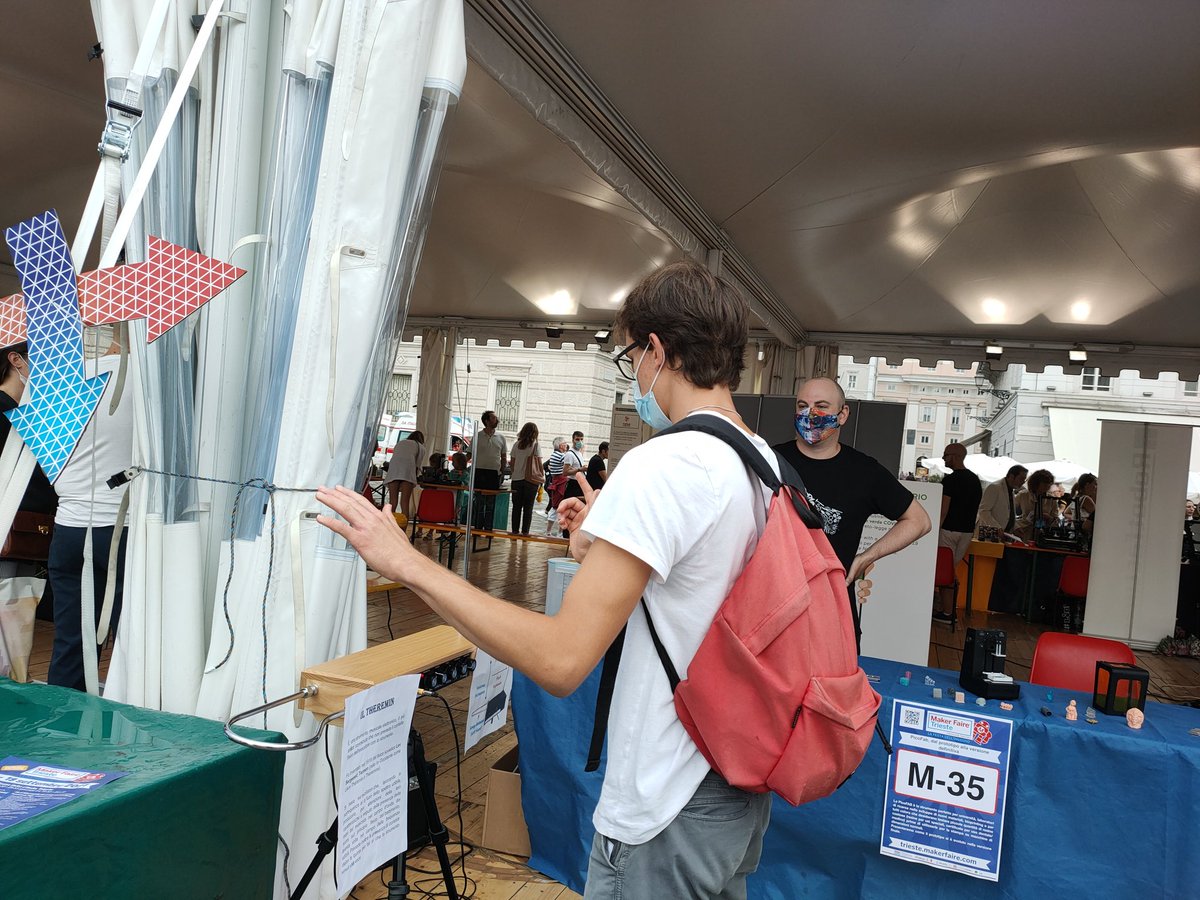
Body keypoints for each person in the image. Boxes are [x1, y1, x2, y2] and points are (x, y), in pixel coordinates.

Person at [317, 260, 775, 898]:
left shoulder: (668, 462)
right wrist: (602, 543)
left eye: (628, 358)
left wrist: (406, 562)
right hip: (732, 783)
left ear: (658, 350)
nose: (634, 376)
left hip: (666, 797)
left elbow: (561, 660)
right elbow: (700, 588)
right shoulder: (757, 460)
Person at [772, 377, 930, 644]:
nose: (810, 414)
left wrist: (866, 557)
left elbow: (918, 521)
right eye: (802, 406)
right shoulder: (770, 460)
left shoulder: (864, 472)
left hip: (832, 613)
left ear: (842, 414)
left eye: (821, 406)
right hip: (773, 608)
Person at [48, 348, 133, 690]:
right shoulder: (137, 380)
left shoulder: (52, 385)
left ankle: (59, 732)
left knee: (71, 644)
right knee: (131, 643)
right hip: (121, 528)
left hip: (68, 527)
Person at [0, 342, 58, 578]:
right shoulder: (12, 413)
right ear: (16, 360)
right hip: (13, 530)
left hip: (23, 532)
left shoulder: (23, 412)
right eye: (43, 359)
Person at [934, 442, 981, 624]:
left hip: (949, 530)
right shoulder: (975, 480)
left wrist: (934, 529)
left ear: (954, 456)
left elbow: (943, 510)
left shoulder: (950, 480)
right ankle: (947, 610)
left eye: (946, 455)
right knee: (951, 570)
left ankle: (947, 613)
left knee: (945, 573)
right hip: (967, 533)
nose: (944, 458)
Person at [473, 411, 507, 528]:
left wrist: (502, 472)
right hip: (478, 473)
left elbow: (503, 457)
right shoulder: (477, 436)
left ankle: (488, 529)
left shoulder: (501, 438)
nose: (496, 419)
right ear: (487, 421)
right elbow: (469, 454)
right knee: (479, 502)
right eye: (493, 418)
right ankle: (477, 528)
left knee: (491, 503)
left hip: (494, 474)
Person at [976, 465, 1028, 537]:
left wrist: (1015, 527)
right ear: (1011, 476)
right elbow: (983, 511)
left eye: (1024, 480)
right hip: (989, 534)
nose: (1023, 482)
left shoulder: (1010, 490)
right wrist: (996, 527)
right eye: (1021, 479)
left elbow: (1008, 515)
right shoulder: (994, 487)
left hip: (1003, 535)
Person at [509, 422, 542, 535]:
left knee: (516, 507)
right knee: (528, 508)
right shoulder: (535, 446)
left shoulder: (516, 445)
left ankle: (514, 531)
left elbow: (512, 462)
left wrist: (516, 472)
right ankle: (525, 532)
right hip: (531, 480)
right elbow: (539, 464)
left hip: (517, 479)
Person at [384, 430, 424, 522]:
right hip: (407, 473)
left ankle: (389, 526)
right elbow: (417, 465)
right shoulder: (421, 447)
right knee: (404, 503)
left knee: (392, 502)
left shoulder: (400, 443)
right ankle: (403, 531)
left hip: (394, 472)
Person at [1013, 468, 1056, 542]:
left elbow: (1056, 521)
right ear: (1036, 483)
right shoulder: (1023, 495)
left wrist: (1048, 517)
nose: (1048, 485)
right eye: (1045, 483)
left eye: (1050, 483)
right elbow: (1009, 512)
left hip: (1043, 535)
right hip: (1024, 532)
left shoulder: (1051, 499)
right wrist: (1016, 526)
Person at [562, 430, 587, 501]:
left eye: (581, 439)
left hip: (579, 483)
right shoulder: (569, 454)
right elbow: (565, 472)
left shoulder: (579, 452)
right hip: (573, 484)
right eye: (577, 439)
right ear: (573, 440)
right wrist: (580, 469)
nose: (580, 441)